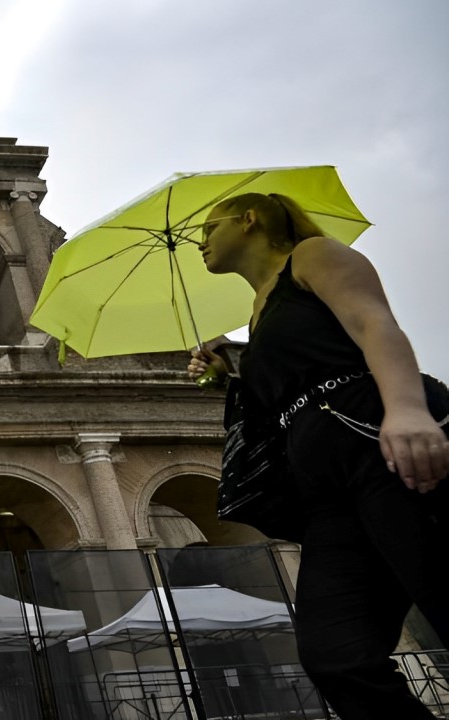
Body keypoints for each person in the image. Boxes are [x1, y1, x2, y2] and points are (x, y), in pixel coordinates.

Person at [189, 192, 448, 718]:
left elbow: (374, 323)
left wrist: (405, 409)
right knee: (336, 653)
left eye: (208, 229)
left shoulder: (312, 256)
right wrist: (228, 374)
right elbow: (294, 385)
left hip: (378, 440)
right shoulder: (260, 310)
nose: (201, 243)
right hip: (325, 489)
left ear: (249, 219)